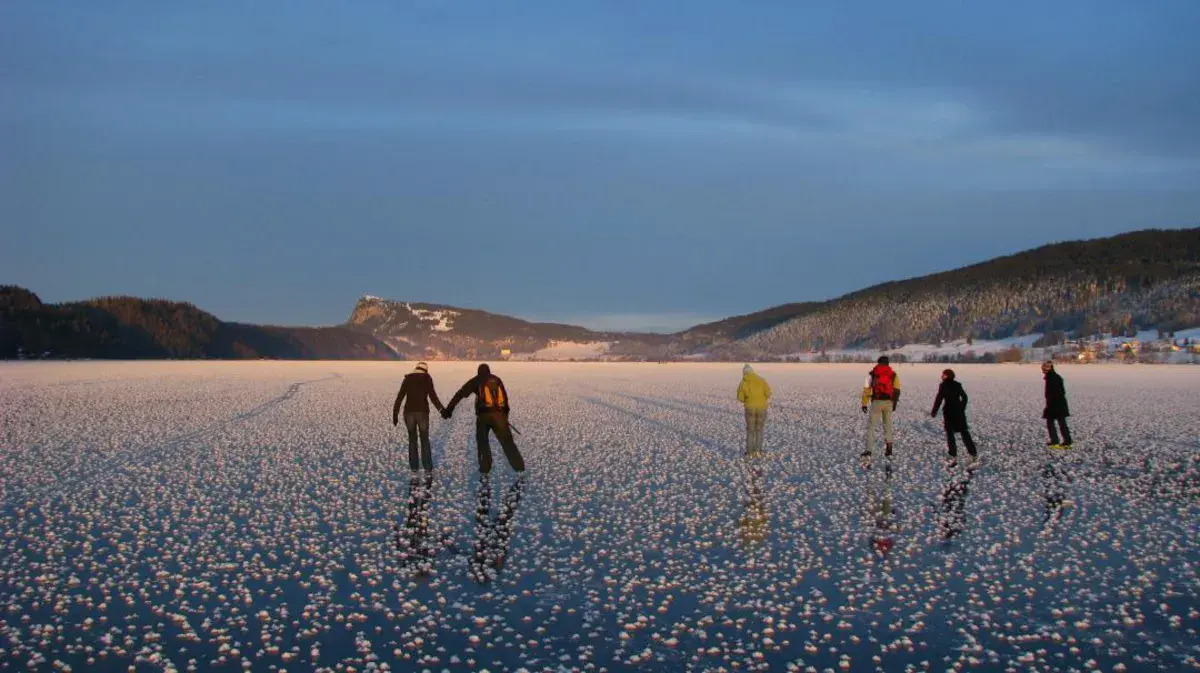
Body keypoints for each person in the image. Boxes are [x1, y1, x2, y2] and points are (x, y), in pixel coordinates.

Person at [444, 364, 526, 474]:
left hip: (483, 416)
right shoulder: (497, 380)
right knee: (507, 442)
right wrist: (505, 417)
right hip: (499, 415)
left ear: (479, 372)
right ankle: (519, 467)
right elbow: (505, 400)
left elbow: (460, 394)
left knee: (482, 441)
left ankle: (485, 468)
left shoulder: (477, 380)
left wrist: (449, 410)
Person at [392, 362, 445, 472]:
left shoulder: (408, 379)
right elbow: (433, 396)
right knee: (424, 439)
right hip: (423, 413)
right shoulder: (427, 378)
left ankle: (414, 467)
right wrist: (441, 410)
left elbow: (400, 396)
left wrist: (395, 413)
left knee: (412, 439)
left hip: (409, 413)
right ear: (425, 370)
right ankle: (427, 467)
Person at [930, 368, 978, 464]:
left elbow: (939, 399)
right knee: (964, 432)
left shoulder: (943, 386)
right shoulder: (957, 385)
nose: (941, 376)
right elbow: (965, 397)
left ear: (947, 376)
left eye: (943, 375)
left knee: (950, 434)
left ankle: (953, 454)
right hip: (959, 412)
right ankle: (973, 453)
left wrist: (934, 412)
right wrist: (962, 407)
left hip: (949, 412)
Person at [860, 356, 901, 457]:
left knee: (871, 427)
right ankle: (889, 447)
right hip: (888, 403)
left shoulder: (872, 374)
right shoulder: (893, 374)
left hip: (876, 402)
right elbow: (897, 390)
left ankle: (869, 450)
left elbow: (866, 389)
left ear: (878, 363)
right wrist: (894, 403)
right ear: (888, 363)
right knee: (888, 425)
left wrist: (864, 403)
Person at [736, 364, 772, 457]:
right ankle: (758, 451)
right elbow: (768, 393)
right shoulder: (761, 380)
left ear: (744, 373)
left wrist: (747, 400)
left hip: (749, 409)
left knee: (750, 431)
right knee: (759, 430)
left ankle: (749, 453)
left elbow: (740, 397)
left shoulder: (743, 382)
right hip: (762, 408)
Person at [1041, 361, 1072, 448]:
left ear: (1050, 368)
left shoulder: (1053, 378)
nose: (1043, 370)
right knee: (1061, 422)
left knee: (1053, 422)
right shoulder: (1051, 377)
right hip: (1057, 404)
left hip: (1056, 404)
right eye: (1043, 368)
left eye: (1045, 368)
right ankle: (1066, 441)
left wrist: (1051, 403)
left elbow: (1059, 392)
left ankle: (1057, 441)